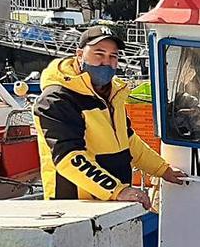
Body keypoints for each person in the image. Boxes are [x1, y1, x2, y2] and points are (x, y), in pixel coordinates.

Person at [33, 25, 187, 209]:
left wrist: (163, 170)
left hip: (111, 203)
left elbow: (129, 142)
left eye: (113, 56)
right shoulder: (56, 99)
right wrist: (118, 191)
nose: (106, 62)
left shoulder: (113, 94)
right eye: (99, 54)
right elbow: (69, 158)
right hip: (75, 207)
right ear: (80, 55)